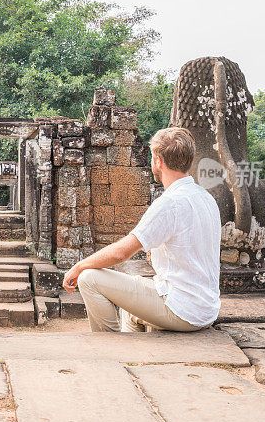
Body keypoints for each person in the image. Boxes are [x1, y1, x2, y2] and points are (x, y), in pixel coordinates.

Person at [62, 127, 221, 332]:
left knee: (89, 278)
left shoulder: (170, 203)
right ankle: (132, 354)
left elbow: (121, 253)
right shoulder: (206, 198)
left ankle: (108, 348)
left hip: (184, 310)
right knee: (131, 305)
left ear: (158, 162)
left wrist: (79, 266)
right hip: (205, 308)